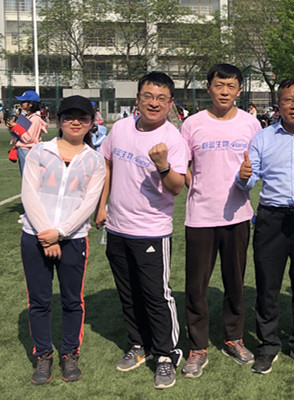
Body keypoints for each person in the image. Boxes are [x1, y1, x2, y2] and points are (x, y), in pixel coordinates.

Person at [95, 72, 190, 390]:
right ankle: (138, 345)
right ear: (137, 99)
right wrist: (102, 205)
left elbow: (177, 187)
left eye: (161, 98)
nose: (154, 103)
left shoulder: (172, 139)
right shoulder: (121, 128)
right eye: (148, 96)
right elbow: (107, 163)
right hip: (117, 226)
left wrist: (163, 164)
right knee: (128, 293)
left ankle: (166, 354)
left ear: (170, 104)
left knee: (156, 295)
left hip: (151, 230)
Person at [236, 78, 294, 374]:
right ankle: (268, 345)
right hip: (271, 218)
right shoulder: (263, 137)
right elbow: (250, 178)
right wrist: (244, 176)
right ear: (279, 104)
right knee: (267, 284)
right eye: (288, 100)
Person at [180, 63, 260, 378]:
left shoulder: (250, 124)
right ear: (208, 88)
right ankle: (197, 347)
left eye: (231, 86)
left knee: (235, 281)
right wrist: (197, 187)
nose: (224, 92)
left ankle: (233, 337)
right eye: (219, 85)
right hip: (200, 217)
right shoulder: (192, 124)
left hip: (238, 216)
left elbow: (256, 168)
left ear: (239, 90)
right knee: (196, 285)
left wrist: (247, 178)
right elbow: (182, 165)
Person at [20, 95, 105, 385]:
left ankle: (69, 353)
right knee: (39, 301)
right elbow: (29, 194)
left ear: (91, 123)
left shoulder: (94, 160)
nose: (75, 122)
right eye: (69, 116)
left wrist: (61, 233)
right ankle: (43, 354)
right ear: (59, 120)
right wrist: (47, 234)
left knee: (72, 300)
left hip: (73, 239)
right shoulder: (40, 152)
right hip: (35, 236)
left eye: (83, 118)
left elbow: (88, 203)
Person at [6, 90, 48, 175]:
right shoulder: (26, 117)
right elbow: (17, 134)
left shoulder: (35, 119)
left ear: (31, 104)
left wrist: (15, 127)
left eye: (24, 101)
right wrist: (11, 127)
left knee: (28, 177)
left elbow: (28, 138)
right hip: (23, 150)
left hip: (29, 150)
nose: (21, 103)